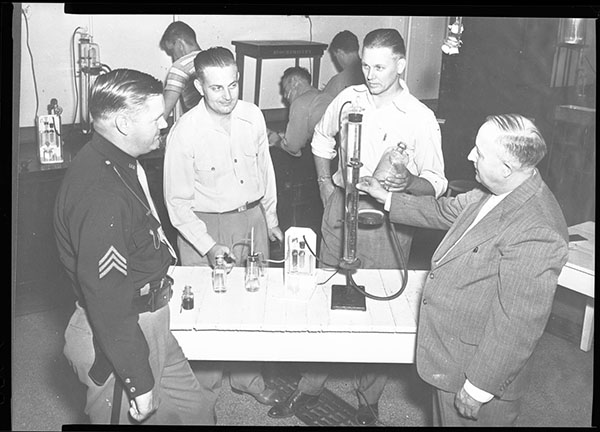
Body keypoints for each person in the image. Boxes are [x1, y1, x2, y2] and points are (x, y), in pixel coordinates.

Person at [268, 28, 447, 426]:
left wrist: (408, 184)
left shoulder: (419, 118)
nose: (370, 73)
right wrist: (325, 188)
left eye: (380, 66)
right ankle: (309, 387)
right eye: (365, 64)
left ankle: (369, 398)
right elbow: (319, 141)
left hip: (388, 219)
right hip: (339, 209)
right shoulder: (348, 99)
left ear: (401, 65)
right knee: (326, 298)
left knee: (380, 309)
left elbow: (437, 181)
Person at [356, 113, 569, 426]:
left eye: (480, 153)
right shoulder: (497, 191)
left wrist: (479, 387)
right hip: (450, 357)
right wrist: (385, 196)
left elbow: (517, 322)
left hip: (476, 372)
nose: (470, 155)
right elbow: (444, 210)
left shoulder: (537, 228)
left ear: (507, 168)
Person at [54, 69, 215, 425]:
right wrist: (138, 382)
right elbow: (107, 298)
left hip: (151, 321)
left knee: (197, 414)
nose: (164, 124)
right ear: (124, 123)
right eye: (157, 117)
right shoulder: (101, 192)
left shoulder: (118, 162)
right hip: (120, 335)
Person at [163, 46, 285, 411]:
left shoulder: (253, 116)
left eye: (233, 85)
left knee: (253, 301)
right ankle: (203, 392)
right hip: (204, 225)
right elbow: (177, 205)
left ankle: (248, 378)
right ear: (199, 86)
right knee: (208, 309)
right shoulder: (185, 133)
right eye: (217, 88)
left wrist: (271, 218)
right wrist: (207, 245)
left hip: (250, 220)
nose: (228, 95)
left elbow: (266, 171)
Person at [267, 66, 334, 232]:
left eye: (285, 89)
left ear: (295, 82)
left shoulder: (301, 101)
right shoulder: (326, 96)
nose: (285, 96)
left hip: (316, 165)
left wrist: (275, 140)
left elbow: (293, 147)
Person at [159, 21, 203, 120]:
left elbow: (164, 113)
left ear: (180, 44)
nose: (173, 58)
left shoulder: (180, 67)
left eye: (172, 51)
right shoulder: (213, 59)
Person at [322, 30, 365, 98]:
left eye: (335, 56)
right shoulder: (371, 73)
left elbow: (322, 105)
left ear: (340, 53)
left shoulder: (338, 81)